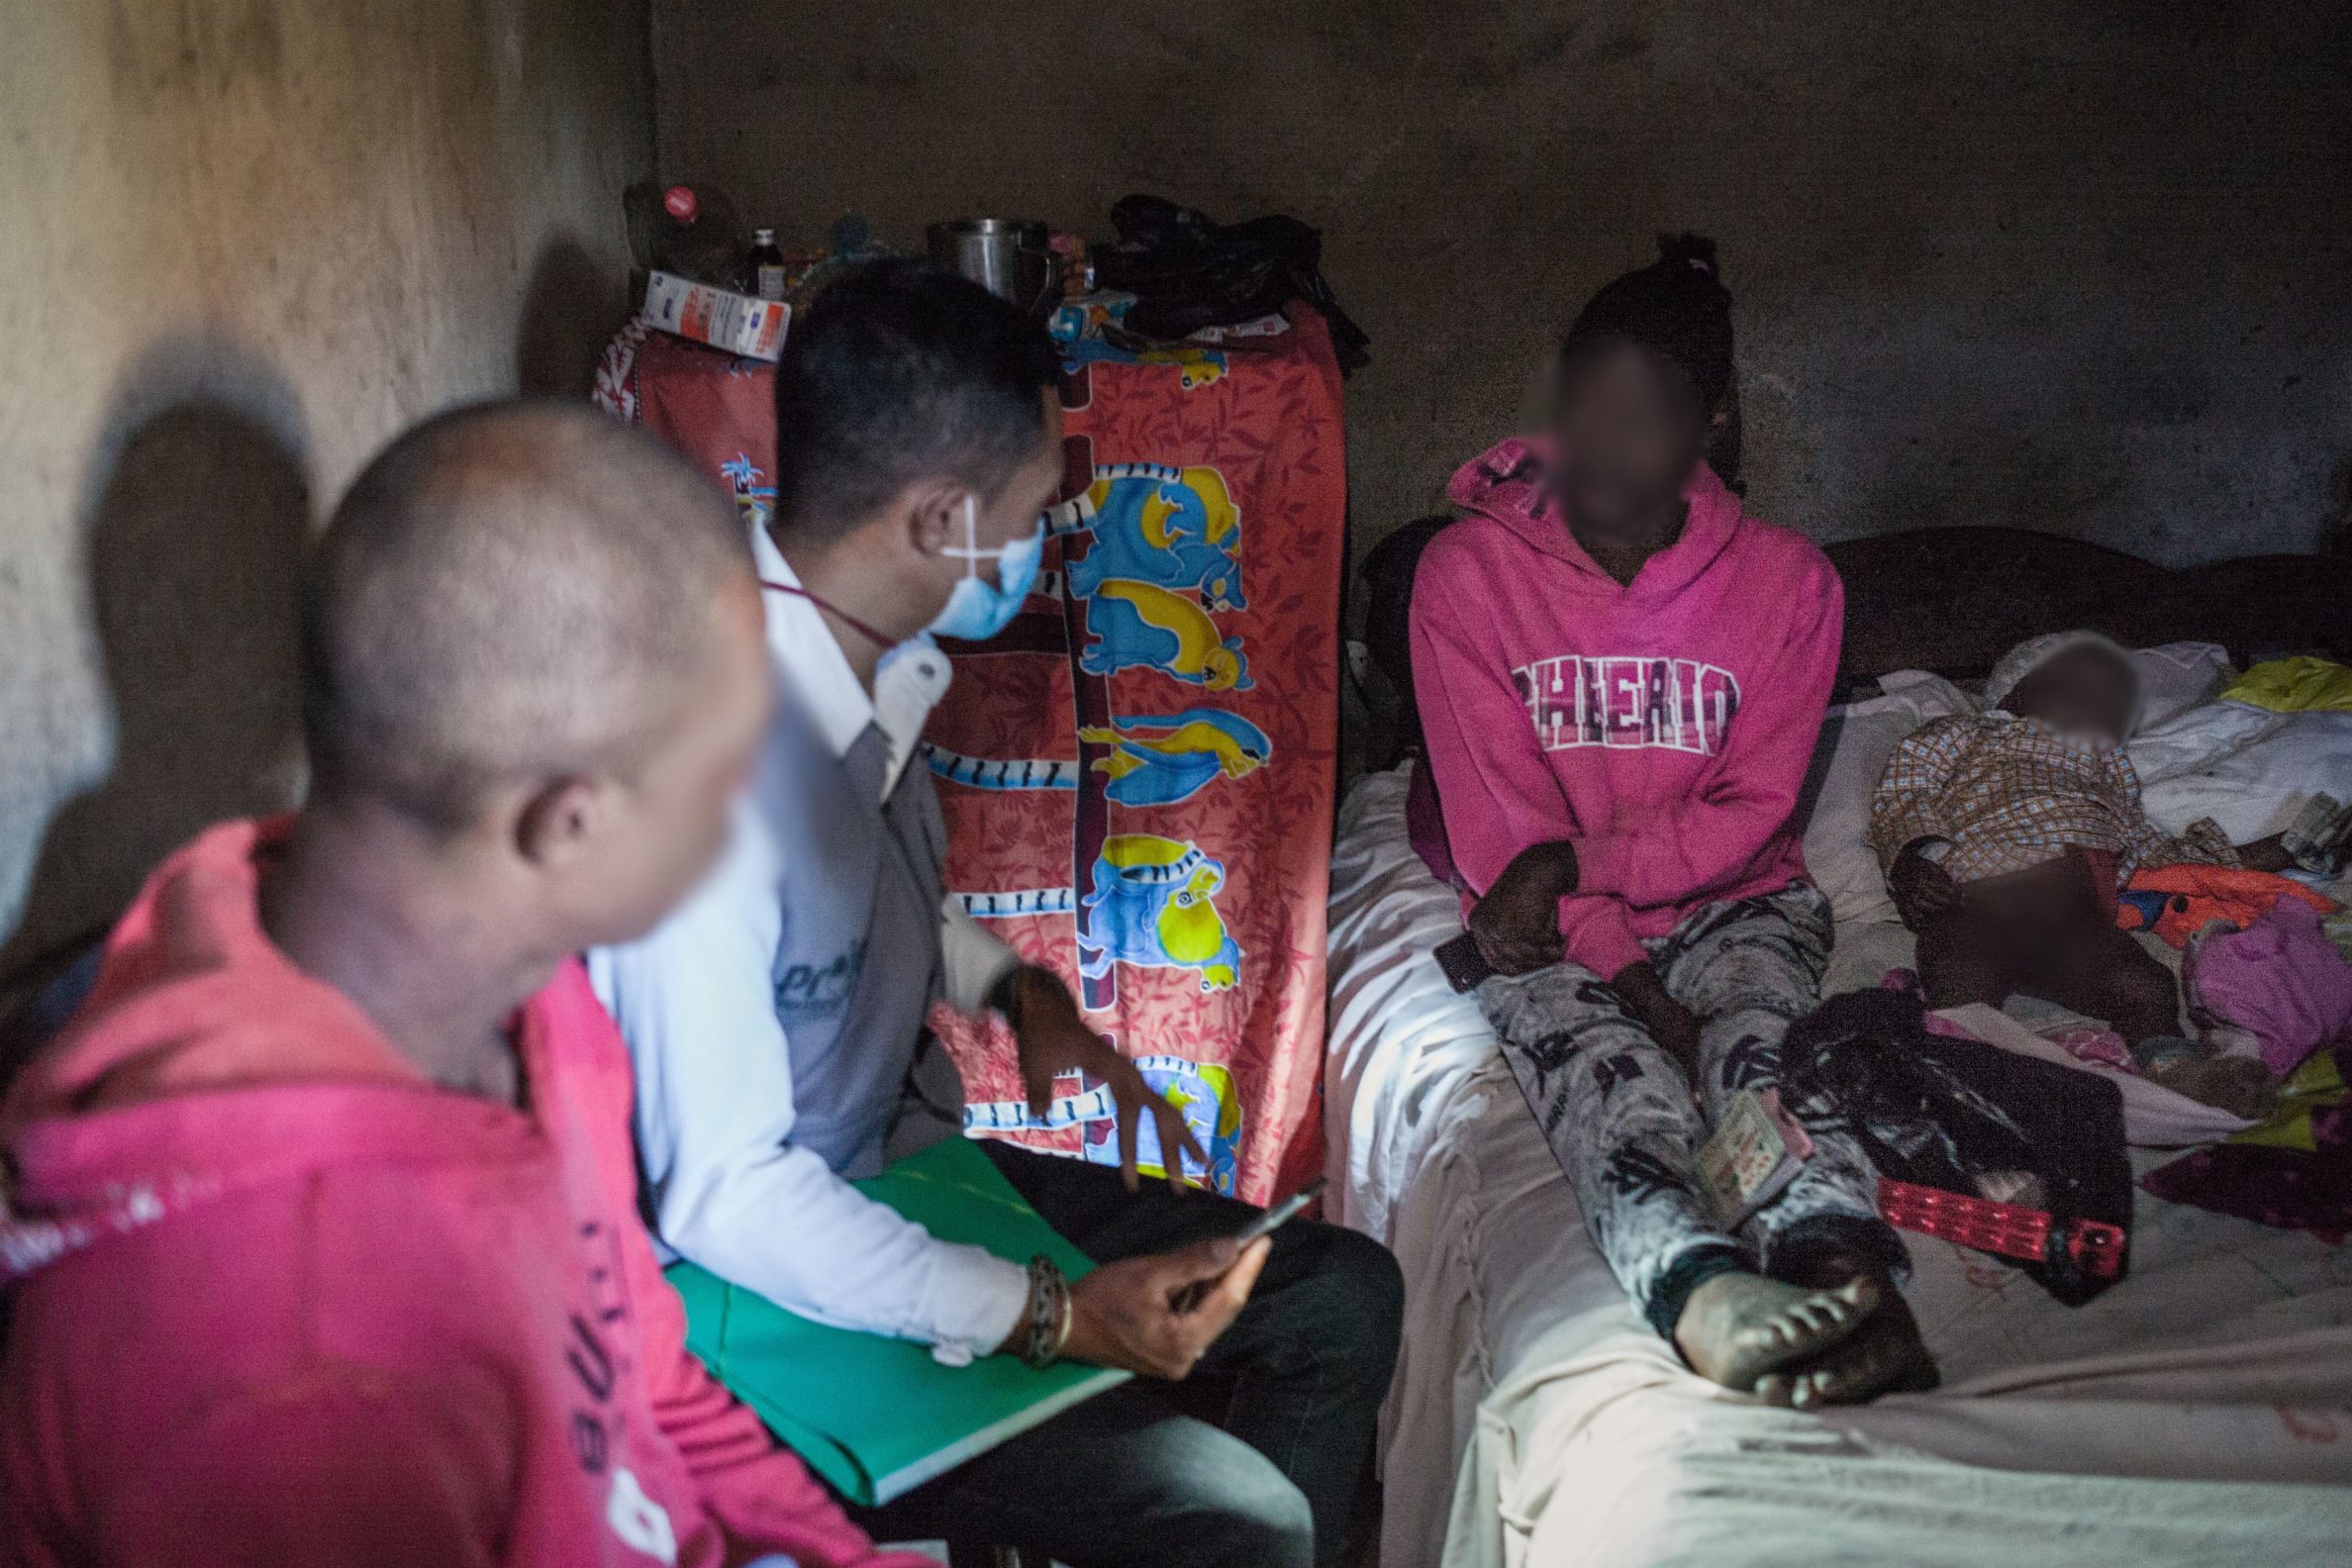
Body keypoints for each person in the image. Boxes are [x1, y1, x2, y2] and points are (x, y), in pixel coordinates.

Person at [0, 404, 928, 1568]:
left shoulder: (530, 1003)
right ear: (571, 823)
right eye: (731, 772)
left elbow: (642, 1376)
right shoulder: (296, 1376)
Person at [592, 260, 1402, 1568]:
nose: (1044, 544)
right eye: (1031, 514)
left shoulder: (874, 664)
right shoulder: (706, 772)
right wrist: (1051, 1310)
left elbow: (851, 911)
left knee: (1336, 1295)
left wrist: (1014, 994)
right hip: (760, 1293)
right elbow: (724, 1195)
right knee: (1242, 1517)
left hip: (901, 1174)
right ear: (939, 519)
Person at [1409, 233, 1931, 1408]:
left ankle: (1843, 1271)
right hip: (1535, 922)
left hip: (1732, 896)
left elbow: (1749, 814)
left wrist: (1587, 865)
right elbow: (1504, 841)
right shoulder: (1465, 578)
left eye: (1645, 416)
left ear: (1717, 424)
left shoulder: (1792, 587)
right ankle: (1698, 1289)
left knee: (1761, 1047)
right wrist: (1639, 990)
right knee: (1600, 1070)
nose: (1601, 448)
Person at [1870, 631, 2352, 1112]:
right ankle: (1959, 1082)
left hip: (2074, 921)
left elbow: (2157, 855)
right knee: (1960, 978)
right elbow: (1905, 794)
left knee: (2144, 987)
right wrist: (1912, 859)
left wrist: (2282, 850)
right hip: (1972, 900)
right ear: (2017, 690)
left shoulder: (2107, 769)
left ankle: (2177, 1071)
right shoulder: (1962, 734)